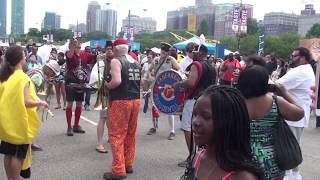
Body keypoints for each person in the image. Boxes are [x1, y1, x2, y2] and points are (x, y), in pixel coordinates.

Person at [237, 62, 304, 179]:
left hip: (241, 158)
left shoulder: (235, 103)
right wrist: (284, 92)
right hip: (272, 161)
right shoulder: (275, 102)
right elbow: (299, 113)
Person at [191, 85, 263, 180]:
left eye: (206, 116)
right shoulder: (198, 157)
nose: (195, 122)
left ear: (229, 122)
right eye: (195, 114)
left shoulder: (242, 177)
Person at [0, 46, 48, 179]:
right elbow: (26, 102)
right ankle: (14, 178)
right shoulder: (23, 78)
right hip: (19, 124)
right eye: (23, 56)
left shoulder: (5, 77)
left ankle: (10, 178)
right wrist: (41, 102)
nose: (25, 58)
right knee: (17, 155)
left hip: (5, 124)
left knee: (8, 153)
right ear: (20, 59)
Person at [103, 38, 141, 180]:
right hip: (135, 100)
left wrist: (107, 85)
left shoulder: (116, 61)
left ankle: (118, 169)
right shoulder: (136, 62)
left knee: (116, 135)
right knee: (130, 133)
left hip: (120, 100)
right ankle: (128, 163)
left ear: (116, 49)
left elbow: (117, 81)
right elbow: (140, 83)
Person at [173, 45, 216, 168]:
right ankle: (205, 156)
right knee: (206, 128)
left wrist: (179, 84)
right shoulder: (212, 65)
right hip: (209, 100)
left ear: (200, 52)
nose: (192, 54)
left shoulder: (196, 65)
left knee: (188, 128)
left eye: (194, 51)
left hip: (195, 101)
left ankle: (192, 157)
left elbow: (191, 82)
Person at [276, 47, 315, 180]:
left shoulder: (300, 71)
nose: (291, 58)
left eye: (294, 56)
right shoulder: (306, 69)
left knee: (287, 147)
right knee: (294, 146)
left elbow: (277, 85)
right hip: (298, 115)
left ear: (303, 58)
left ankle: (289, 175)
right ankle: (294, 174)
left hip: (293, 116)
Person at [147, 42, 181, 140]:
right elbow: (149, 70)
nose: (163, 54)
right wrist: (150, 76)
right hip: (156, 87)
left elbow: (179, 69)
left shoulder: (171, 60)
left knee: (169, 109)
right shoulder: (156, 60)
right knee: (154, 107)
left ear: (168, 53)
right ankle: (154, 127)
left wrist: (173, 76)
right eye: (162, 52)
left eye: (165, 52)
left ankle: (172, 131)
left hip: (167, 88)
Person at [65, 39, 94, 136]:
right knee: (69, 105)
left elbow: (93, 57)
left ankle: (76, 125)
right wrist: (73, 45)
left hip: (80, 82)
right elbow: (69, 55)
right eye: (77, 47)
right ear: (72, 46)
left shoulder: (82, 55)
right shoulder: (69, 53)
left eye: (79, 47)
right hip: (71, 82)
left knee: (79, 104)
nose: (79, 49)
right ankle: (69, 126)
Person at [95, 40, 113, 154]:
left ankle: (111, 137)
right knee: (103, 117)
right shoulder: (101, 61)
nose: (110, 51)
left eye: (112, 49)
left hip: (115, 93)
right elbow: (97, 76)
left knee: (111, 118)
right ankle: (99, 143)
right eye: (108, 49)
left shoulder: (117, 60)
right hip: (104, 93)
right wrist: (99, 60)